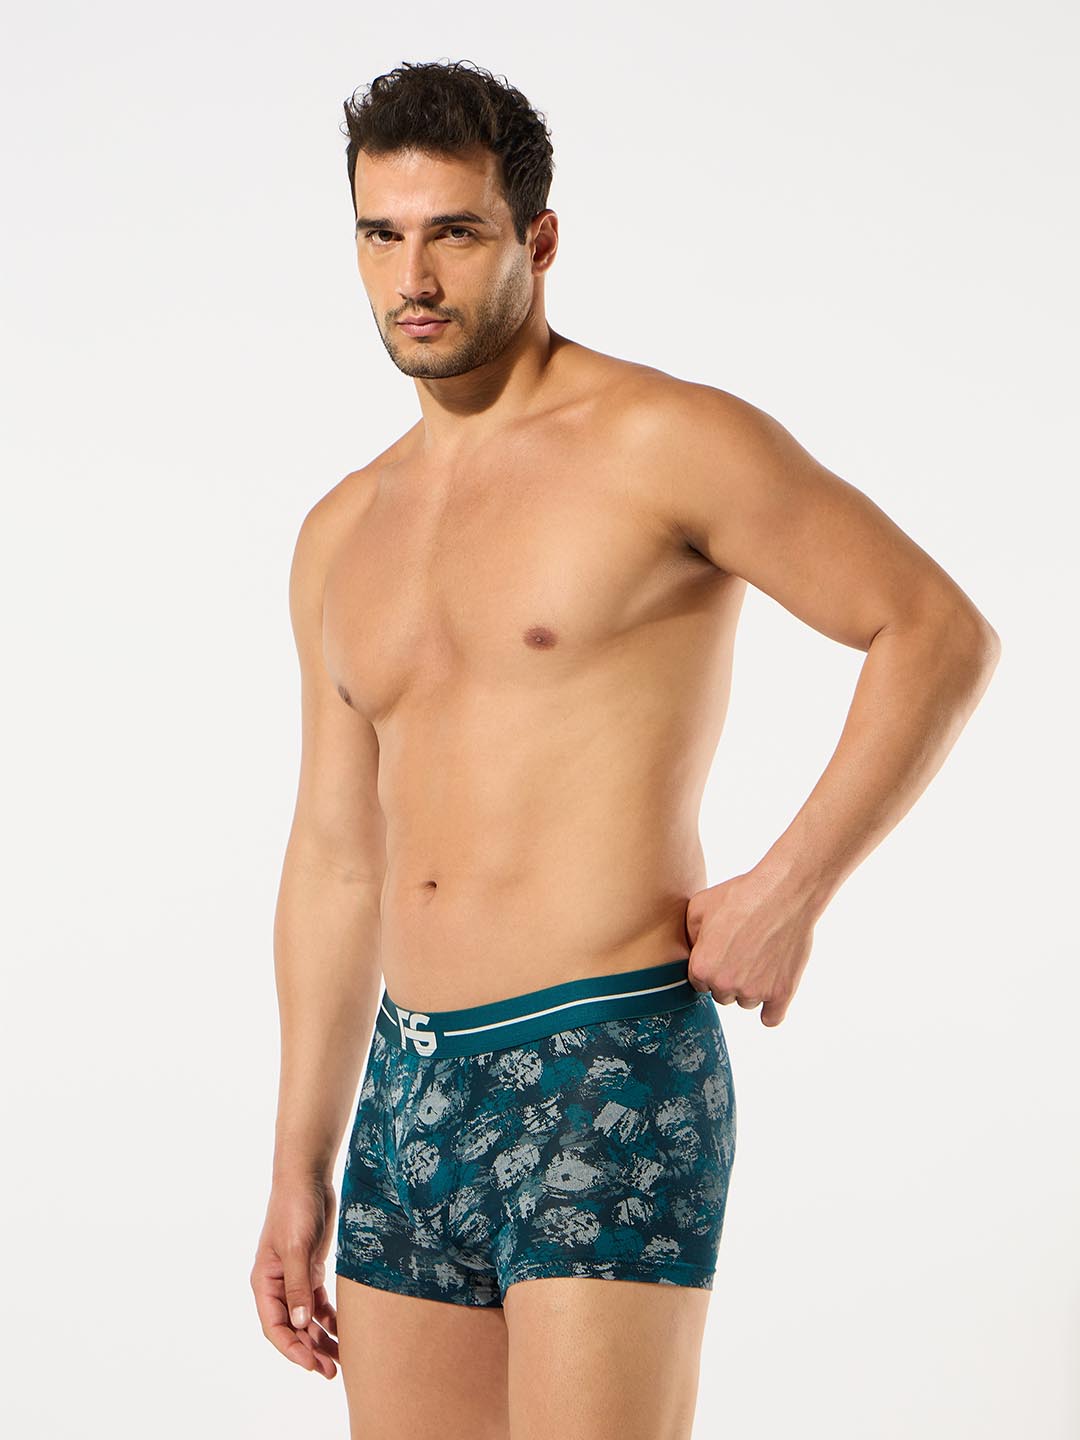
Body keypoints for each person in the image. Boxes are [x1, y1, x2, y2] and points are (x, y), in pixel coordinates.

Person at [250, 57, 1000, 1439]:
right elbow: (335, 857)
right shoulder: (341, 531)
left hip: (599, 1060)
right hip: (407, 1093)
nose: (414, 276)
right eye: (381, 234)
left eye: (454, 232)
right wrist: (299, 1164)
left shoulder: (664, 440)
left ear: (537, 240)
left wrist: (791, 888)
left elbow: (935, 631)